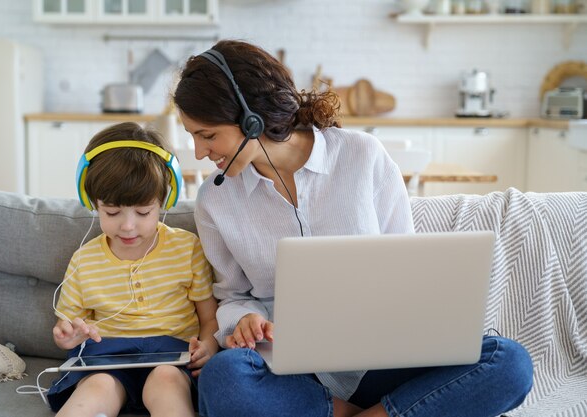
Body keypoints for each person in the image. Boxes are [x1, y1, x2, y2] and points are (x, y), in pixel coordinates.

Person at [172, 40, 533, 417]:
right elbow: (231, 297)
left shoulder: (363, 155)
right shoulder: (216, 201)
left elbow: (406, 265)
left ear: (252, 119)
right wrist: (245, 319)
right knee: (224, 377)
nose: (199, 152)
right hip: (292, 369)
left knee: (508, 363)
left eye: (208, 135)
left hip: (381, 357)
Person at [47, 122, 219, 417]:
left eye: (143, 212)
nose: (127, 226)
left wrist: (209, 346)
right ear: (93, 204)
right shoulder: (83, 260)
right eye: (112, 212)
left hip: (172, 360)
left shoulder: (186, 248)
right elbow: (69, 327)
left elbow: (210, 317)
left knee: (166, 382)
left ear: (165, 201)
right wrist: (67, 336)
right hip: (107, 361)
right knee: (96, 388)